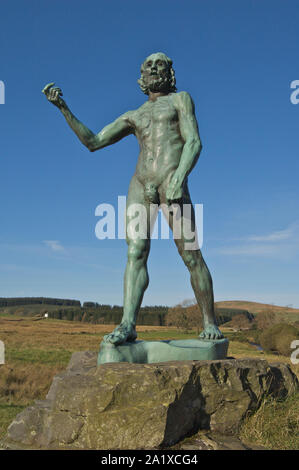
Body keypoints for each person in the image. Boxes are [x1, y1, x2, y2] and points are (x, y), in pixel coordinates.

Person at [42, 52, 223, 345]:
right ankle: (128, 324)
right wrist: (63, 108)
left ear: (169, 73)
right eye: (148, 65)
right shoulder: (134, 115)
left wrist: (178, 178)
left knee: (191, 253)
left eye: (159, 63)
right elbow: (94, 142)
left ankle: (210, 322)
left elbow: (193, 141)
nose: (153, 68)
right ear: (142, 76)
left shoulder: (181, 100)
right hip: (140, 185)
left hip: (172, 183)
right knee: (135, 252)